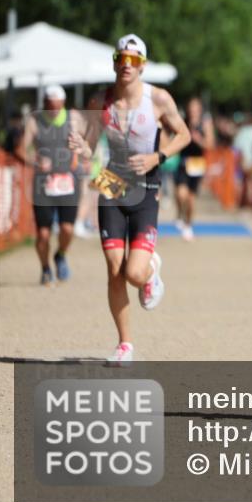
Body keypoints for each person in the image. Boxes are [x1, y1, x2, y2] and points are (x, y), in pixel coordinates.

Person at [69, 34, 190, 366]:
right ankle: (125, 345)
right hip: (112, 185)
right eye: (121, 58)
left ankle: (151, 270)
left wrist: (158, 156)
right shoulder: (101, 101)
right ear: (115, 62)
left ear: (142, 66)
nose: (126, 65)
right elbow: (91, 145)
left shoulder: (159, 99)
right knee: (113, 268)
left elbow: (185, 134)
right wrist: (82, 149)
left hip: (147, 187)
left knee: (133, 273)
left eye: (134, 60)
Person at [17, 85, 86, 285]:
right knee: (43, 233)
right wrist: (35, 161)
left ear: (63, 103)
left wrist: (83, 155)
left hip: (68, 181)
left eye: (57, 106)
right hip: (43, 183)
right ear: (44, 103)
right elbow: (21, 149)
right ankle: (46, 268)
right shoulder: (34, 121)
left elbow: (87, 143)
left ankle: (61, 255)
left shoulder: (74, 118)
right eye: (50, 105)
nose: (54, 110)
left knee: (67, 229)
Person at [174, 97, 215, 241]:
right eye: (191, 108)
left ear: (200, 109)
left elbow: (210, 144)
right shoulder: (182, 121)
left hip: (197, 162)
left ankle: (188, 224)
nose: (193, 111)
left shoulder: (205, 123)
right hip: (183, 161)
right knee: (180, 194)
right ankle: (179, 213)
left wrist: (198, 140)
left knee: (191, 199)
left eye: (195, 108)